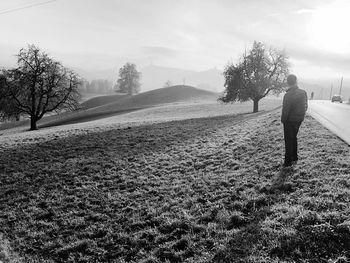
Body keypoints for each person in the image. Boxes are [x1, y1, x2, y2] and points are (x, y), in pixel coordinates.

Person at [281, 74, 308, 167]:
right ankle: (294, 157)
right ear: (296, 81)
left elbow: (286, 110)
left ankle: (288, 161)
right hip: (299, 119)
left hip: (290, 120)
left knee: (288, 140)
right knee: (294, 137)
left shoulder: (288, 95)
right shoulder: (303, 92)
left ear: (288, 83)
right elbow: (306, 106)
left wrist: (283, 120)